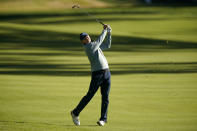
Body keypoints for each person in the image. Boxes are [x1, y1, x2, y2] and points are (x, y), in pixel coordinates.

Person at [71, 24, 112, 126]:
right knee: (90, 95)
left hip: (107, 73)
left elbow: (107, 45)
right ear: (83, 42)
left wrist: (109, 32)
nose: (87, 37)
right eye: (84, 38)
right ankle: (75, 112)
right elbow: (100, 40)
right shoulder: (89, 47)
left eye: (87, 36)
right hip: (97, 74)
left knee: (105, 97)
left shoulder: (94, 44)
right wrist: (105, 30)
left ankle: (103, 119)